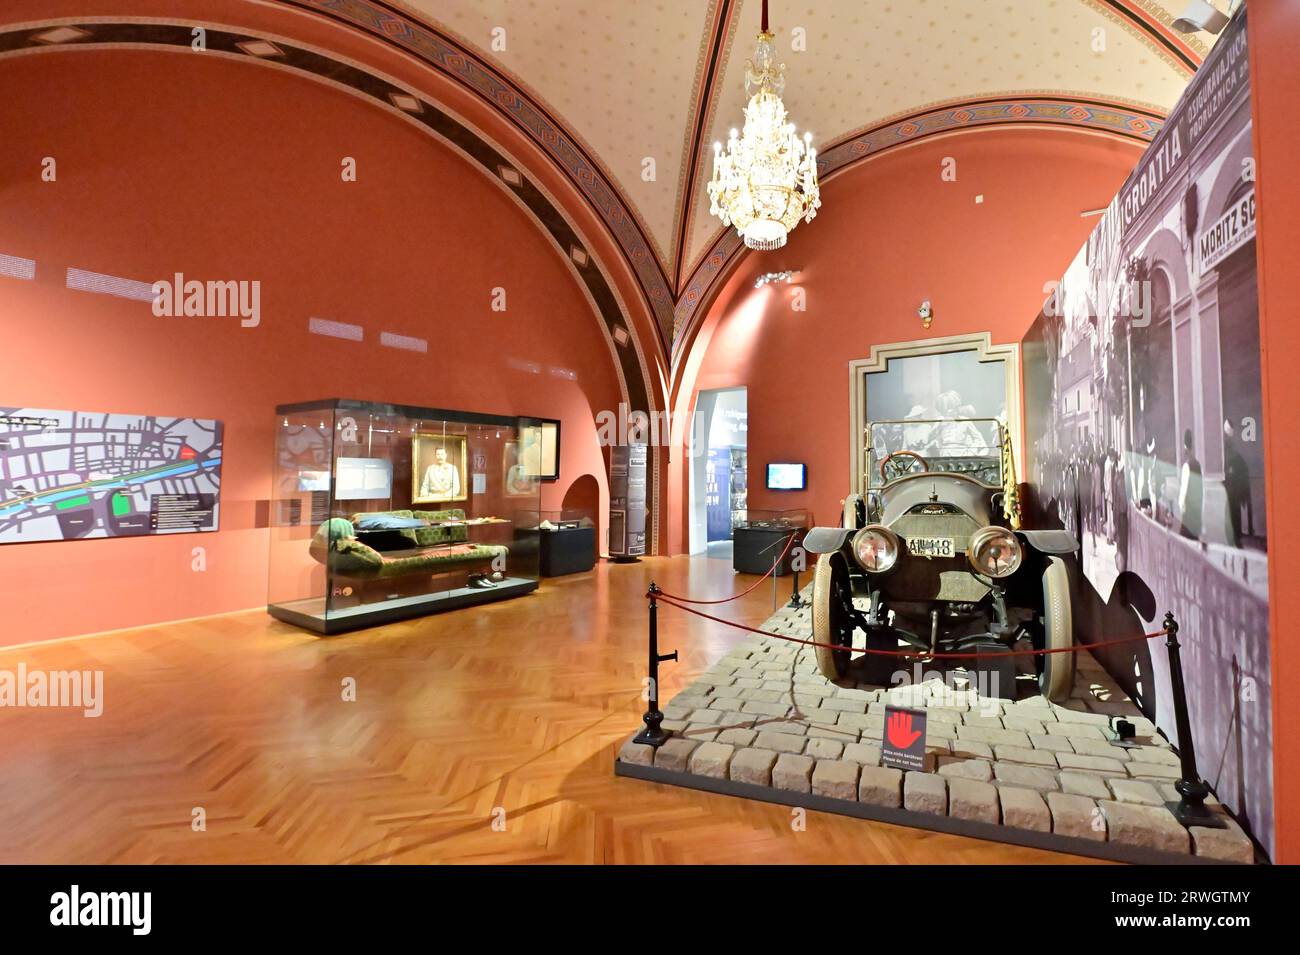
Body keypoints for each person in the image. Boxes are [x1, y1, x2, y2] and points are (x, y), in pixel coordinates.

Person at [1223, 420, 1253, 548]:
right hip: (1232, 492)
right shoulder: (1234, 457)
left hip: (1231, 492)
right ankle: (1235, 538)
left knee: (1232, 516)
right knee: (1233, 517)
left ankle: (1235, 538)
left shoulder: (1233, 457)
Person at [1178, 429, 1202, 541]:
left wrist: (1181, 504)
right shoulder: (1197, 464)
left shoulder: (1186, 466)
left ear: (1185, 447)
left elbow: (1184, 489)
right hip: (1197, 509)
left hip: (1188, 510)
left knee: (1185, 540)